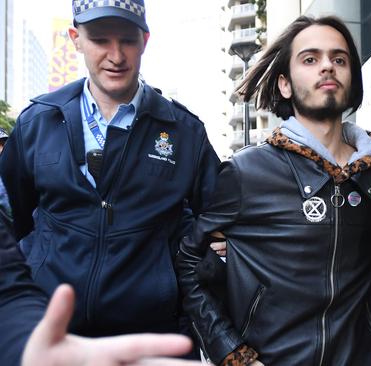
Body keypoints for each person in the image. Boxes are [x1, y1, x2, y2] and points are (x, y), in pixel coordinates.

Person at [176, 15, 371, 366]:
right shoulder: (247, 172)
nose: (327, 67)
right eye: (310, 59)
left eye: (339, 59)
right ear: (285, 85)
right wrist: (232, 352)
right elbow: (189, 261)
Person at [0, 0, 221, 338]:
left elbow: (218, 223)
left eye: (128, 41)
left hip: (153, 337)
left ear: (145, 41)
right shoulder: (38, 122)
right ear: (76, 38)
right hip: (51, 334)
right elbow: (11, 222)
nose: (116, 56)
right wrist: (20, 311)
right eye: (100, 39)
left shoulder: (184, 132)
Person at [0, 216, 200, 366]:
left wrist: (25, 347)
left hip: (149, 319)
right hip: (60, 308)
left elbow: (8, 291)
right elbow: (21, 214)